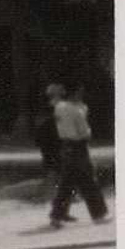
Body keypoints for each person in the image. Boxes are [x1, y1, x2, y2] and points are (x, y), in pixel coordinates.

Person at [47, 83, 109, 226]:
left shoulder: (60, 107)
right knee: (88, 180)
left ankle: (57, 215)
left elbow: (55, 105)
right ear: (76, 94)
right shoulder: (77, 111)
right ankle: (99, 214)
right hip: (78, 146)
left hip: (65, 145)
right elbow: (85, 133)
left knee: (67, 182)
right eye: (80, 92)